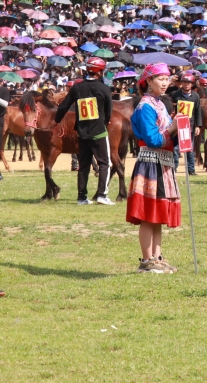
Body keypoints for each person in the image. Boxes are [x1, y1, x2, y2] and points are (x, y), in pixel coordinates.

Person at [126, 63, 181, 273]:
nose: (165, 83)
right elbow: (153, 139)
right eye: (160, 78)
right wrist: (172, 128)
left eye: (167, 78)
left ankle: (157, 257)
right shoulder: (145, 106)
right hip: (150, 163)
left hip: (162, 163)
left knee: (158, 214)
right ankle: (147, 260)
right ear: (148, 81)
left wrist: (179, 132)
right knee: (149, 214)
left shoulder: (158, 104)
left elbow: (166, 139)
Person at [54, 57, 115, 206]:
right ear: (100, 72)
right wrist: (105, 122)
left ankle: (82, 197)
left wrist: (56, 121)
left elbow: (63, 106)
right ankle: (102, 195)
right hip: (99, 132)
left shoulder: (76, 87)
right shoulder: (104, 89)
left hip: (82, 133)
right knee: (105, 163)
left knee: (83, 166)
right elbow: (108, 112)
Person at [168, 71, 203, 176]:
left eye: (188, 83)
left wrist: (198, 125)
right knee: (175, 148)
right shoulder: (175, 95)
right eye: (184, 82)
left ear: (192, 84)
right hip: (177, 125)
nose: (186, 84)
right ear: (181, 83)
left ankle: (191, 169)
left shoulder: (196, 96)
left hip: (190, 126)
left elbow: (198, 111)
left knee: (189, 148)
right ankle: (174, 168)